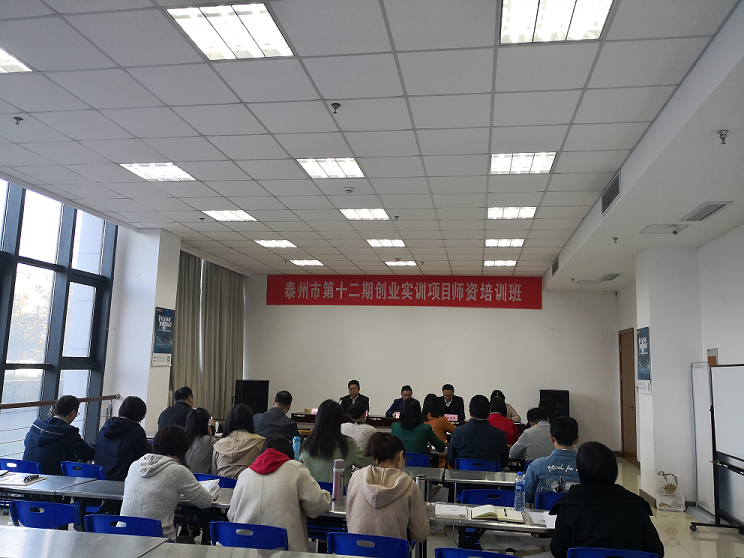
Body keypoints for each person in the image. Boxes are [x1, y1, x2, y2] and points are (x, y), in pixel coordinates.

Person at [550, 441, 665, 558]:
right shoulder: (636, 505)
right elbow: (656, 551)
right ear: (614, 470)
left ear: (581, 471)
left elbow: (558, 550)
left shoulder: (568, 505)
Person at [228, 436, 331, 551]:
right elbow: (317, 507)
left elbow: (232, 515)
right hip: (286, 551)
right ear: (290, 453)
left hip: (244, 549)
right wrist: (326, 495)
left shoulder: (245, 474)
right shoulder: (296, 470)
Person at [121, 425, 213, 541]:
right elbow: (206, 502)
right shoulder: (177, 471)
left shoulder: (134, 466)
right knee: (189, 541)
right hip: (157, 541)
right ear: (182, 448)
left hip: (123, 538)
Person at [346, 433, 430, 543]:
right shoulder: (409, 484)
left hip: (355, 549)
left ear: (376, 459)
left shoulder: (356, 477)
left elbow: (350, 518)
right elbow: (420, 535)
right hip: (393, 551)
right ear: (400, 456)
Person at [299, 399, 374, 487]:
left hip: (311, 494)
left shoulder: (306, 445)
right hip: (339, 495)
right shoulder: (347, 445)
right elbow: (373, 463)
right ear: (339, 419)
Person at [23, 395, 95, 475]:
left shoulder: (36, 426)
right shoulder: (69, 432)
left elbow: (26, 443)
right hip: (53, 479)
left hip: (27, 475)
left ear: (54, 411)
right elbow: (87, 454)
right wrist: (94, 446)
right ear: (72, 413)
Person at [525, 416, 580, 503]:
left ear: (552, 438)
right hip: (576, 511)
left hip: (544, 511)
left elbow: (526, 495)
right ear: (576, 439)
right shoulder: (586, 467)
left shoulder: (536, 466)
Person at [95, 395, 151, 481]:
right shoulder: (135, 430)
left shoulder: (105, 427)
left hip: (99, 478)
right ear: (141, 415)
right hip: (122, 480)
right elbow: (145, 456)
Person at [447, 395, 508, 469]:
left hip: (463, 475)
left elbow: (450, 460)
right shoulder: (499, 434)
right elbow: (504, 462)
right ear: (489, 412)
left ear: (470, 412)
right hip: (490, 475)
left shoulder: (457, 432)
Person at [212, 403, 265, 478]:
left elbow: (215, 474)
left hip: (223, 485)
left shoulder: (218, 446)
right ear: (250, 421)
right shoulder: (261, 442)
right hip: (248, 484)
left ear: (229, 421)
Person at [422, 393, 455, 467]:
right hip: (440, 459)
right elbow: (456, 431)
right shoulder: (442, 420)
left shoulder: (420, 420)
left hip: (424, 459)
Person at [182, 407, 217, 474]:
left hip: (180, 476)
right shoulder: (210, 441)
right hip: (199, 479)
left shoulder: (182, 438)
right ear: (205, 424)